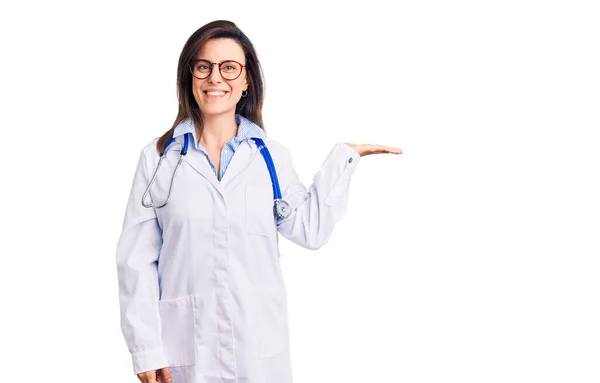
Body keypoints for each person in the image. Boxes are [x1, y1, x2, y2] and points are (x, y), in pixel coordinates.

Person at [115, 20, 402, 383]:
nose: (215, 78)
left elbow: (308, 229)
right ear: (189, 75)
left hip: (259, 353)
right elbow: (136, 261)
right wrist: (145, 349)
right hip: (184, 353)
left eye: (229, 67)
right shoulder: (159, 159)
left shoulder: (270, 156)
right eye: (203, 66)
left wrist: (344, 159)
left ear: (247, 79)